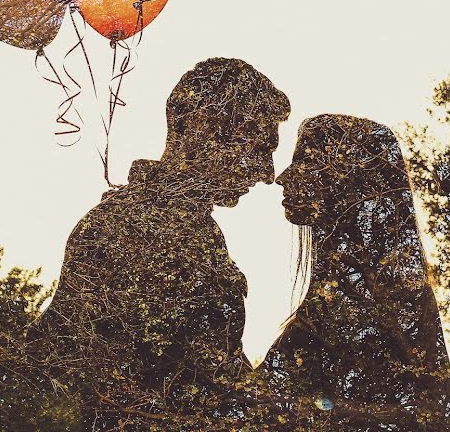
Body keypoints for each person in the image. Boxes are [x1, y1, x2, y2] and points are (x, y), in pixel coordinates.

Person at [34, 57, 290, 430]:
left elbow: (215, 367)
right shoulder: (124, 224)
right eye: (258, 148)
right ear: (203, 127)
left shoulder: (193, 227)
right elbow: (71, 359)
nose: (266, 172)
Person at [261, 114, 450, 431]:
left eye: (305, 163)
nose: (283, 177)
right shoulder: (359, 300)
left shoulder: (367, 311)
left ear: (345, 180)